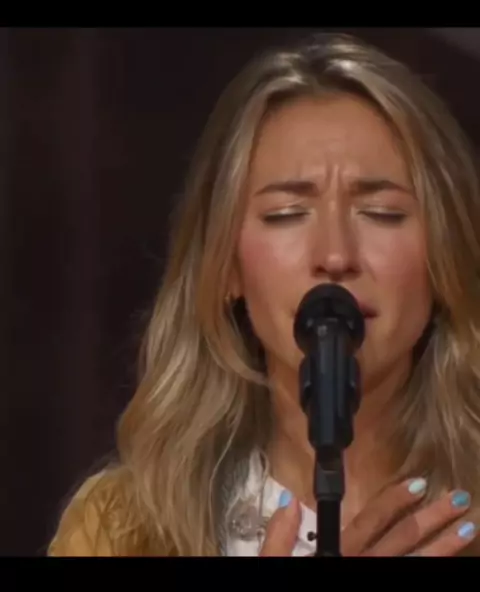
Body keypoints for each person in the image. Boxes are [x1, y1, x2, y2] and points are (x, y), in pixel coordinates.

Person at [47, 31, 480, 557]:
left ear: (443, 254)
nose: (335, 254)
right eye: (286, 215)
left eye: (381, 213)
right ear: (226, 266)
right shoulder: (121, 530)